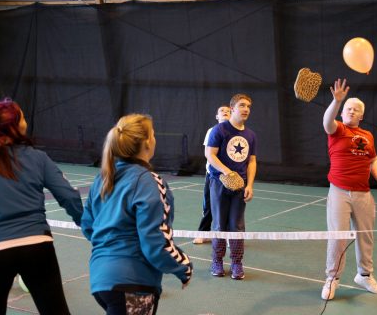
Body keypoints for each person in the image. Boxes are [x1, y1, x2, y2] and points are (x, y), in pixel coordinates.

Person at [81, 114, 192, 314]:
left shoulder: (103, 178)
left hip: (100, 281)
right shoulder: (150, 181)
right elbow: (155, 242)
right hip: (133, 284)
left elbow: (88, 226)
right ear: (147, 143)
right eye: (154, 135)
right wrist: (184, 267)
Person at [0, 97, 83, 315]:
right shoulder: (38, 158)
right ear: (18, 125)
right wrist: (87, 224)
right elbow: (69, 196)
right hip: (38, 246)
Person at [321, 79, 377, 300]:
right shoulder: (337, 129)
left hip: (364, 194)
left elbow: (373, 158)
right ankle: (332, 279)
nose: (352, 111)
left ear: (362, 116)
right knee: (338, 238)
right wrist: (336, 100)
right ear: (343, 113)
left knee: (366, 237)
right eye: (348, 108)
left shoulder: (368, 136)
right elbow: (326, 121)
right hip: (339, 192)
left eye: (356, 110)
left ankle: (364, 275)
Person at [205, 94, 257, 280]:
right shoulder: (219, 130)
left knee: (237, 226)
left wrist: (249, 184)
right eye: (242, 105)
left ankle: (236, 263)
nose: (246, 109)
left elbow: (251, 161)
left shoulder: (250, 135)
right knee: (219, 224)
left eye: (248, 106)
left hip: (240, 187)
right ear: (232, 108)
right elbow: (210, 154)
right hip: (219, 183)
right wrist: (228, 173)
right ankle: (217, 261)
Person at [193, 105, 231, 244]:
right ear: (217, 116)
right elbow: (209, 154)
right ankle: (203, 233)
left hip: (230, 176)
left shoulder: (236, 131)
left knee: (228, 207)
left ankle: (228, 236)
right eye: (222, 111)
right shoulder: (211, 131)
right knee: (209, 205)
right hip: (213, 175)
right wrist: (218, 169)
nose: (225, 112)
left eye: (228, 111)